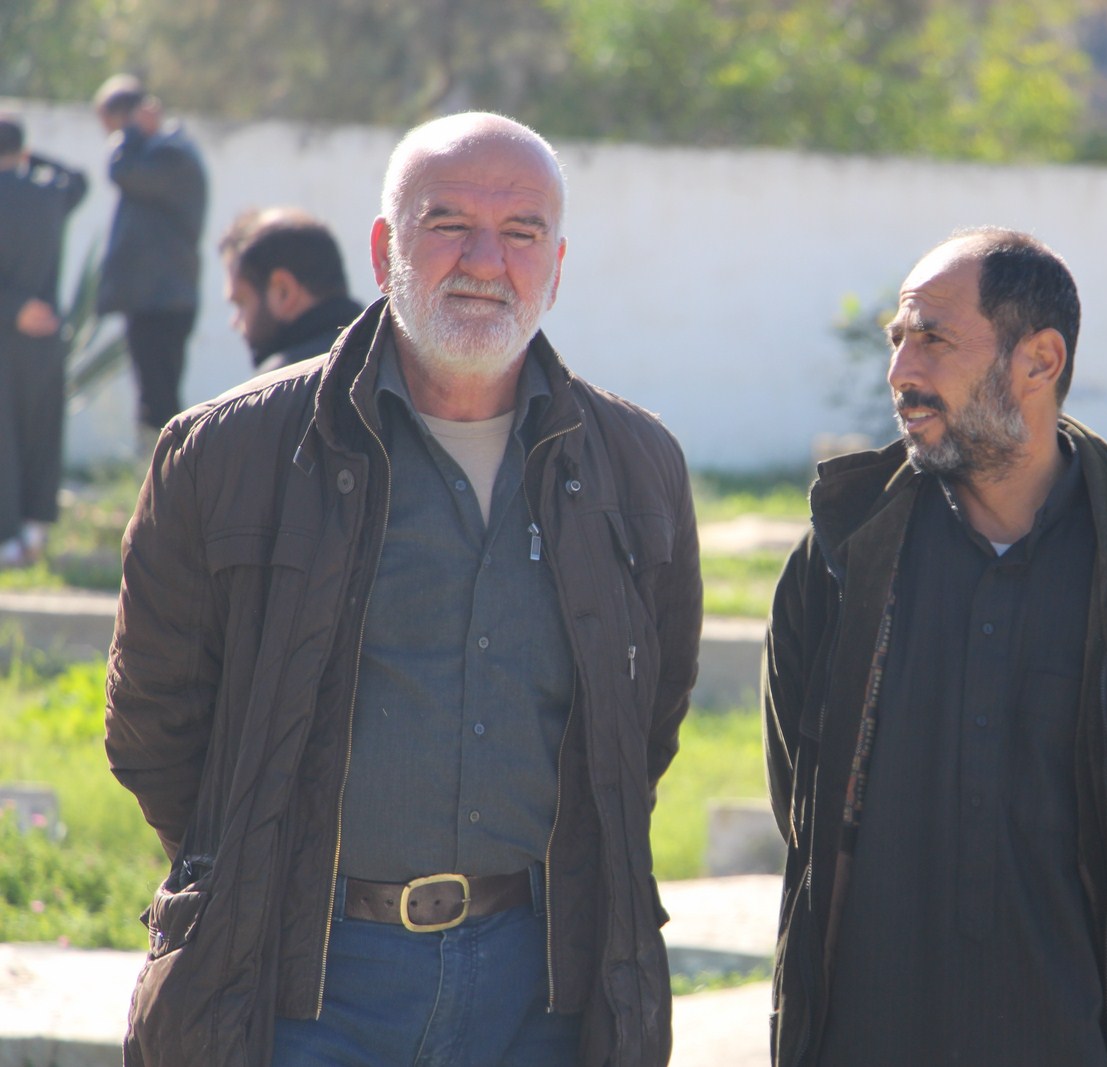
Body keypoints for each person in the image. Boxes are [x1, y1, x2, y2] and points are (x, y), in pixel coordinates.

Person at [106, 112, 702, 1067]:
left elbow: (647, 718)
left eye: (521, 233)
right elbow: (153, 722)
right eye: (448, 223)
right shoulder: (227, 452)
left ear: (556, 265)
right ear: (385, 249)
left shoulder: (637, 464)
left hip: (544, 988)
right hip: (302, 987)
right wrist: (254, 864)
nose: (485, 261)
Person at [763, 228, 1107, 1067]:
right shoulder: (841, 553)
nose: (901, 370)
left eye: (933, 338)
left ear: (1040, 361)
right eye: (897, 339)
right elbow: (801, 792)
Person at [92, 74, 207, 447]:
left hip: (164, 301)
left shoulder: (170, 156)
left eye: (114, 126)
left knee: (160, 404)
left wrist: (133, 133)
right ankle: (155, 472)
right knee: (153, 399)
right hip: (154, 299)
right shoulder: (159, 154)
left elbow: (122, 171)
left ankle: (168, 473)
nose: (113, 138)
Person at [0, 114, 88, 568]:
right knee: (40, 432)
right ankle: (34, 531)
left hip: (5, 334)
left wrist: (12, 309)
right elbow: (80, 180)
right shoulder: (50, 194)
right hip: (45, 337)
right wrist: (34, 160)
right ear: (22, 151)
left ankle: (6, 540)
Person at [218, 207, 365, 373]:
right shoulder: (383, 355)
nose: (234, 322)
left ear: (283, 291)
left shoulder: (282, 382)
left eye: (241, 302)